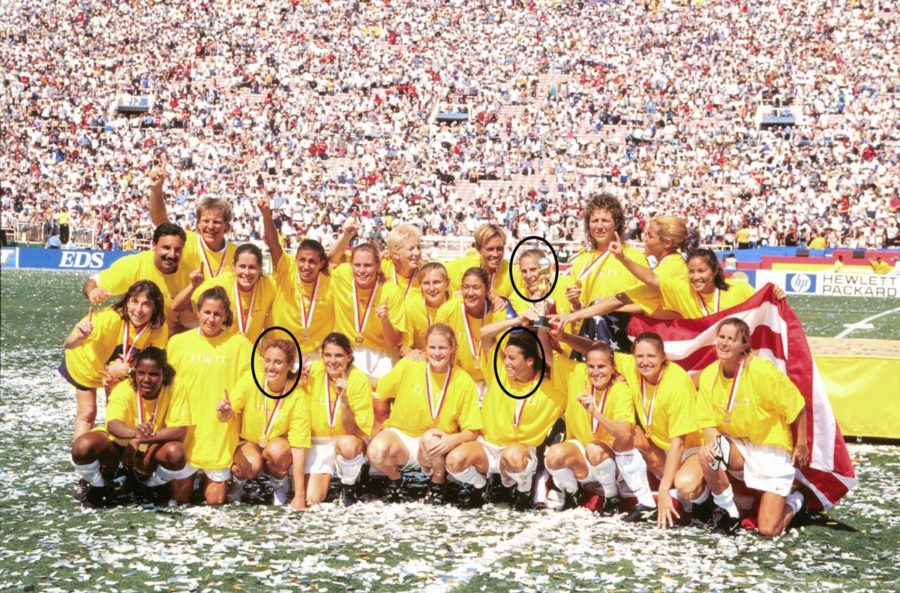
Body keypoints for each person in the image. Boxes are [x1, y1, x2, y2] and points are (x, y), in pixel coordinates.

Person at [696, 318, 808, 536]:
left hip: (770, 448)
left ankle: (797, 500)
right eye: (722, 337)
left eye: (732, 339)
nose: (725, 343)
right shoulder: (709, 374)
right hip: (739, 444)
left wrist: (801, 444)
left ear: (744, 344)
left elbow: (797, 405)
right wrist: (711, 445)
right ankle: (729, 514)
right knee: (706, 455)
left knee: (768, 529)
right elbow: (707, 422)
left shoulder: (762, 371)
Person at [446, 308, 565, 510]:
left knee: (513, 456)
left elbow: (557, 361)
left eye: (512, 358)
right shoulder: (498, 371)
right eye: (505, 357)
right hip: (487, 446)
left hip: (520, 452)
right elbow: (485, 333)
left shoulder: (553, 389)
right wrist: (519, 320)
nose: (506, 362)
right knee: (454, 461)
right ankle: (481, 486)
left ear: (529, 361)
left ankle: (523, 489)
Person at [369, 323, 481, 504]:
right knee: (376, 449)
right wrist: (350, 375)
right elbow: (380, 387)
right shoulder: (409, 365)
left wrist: (452, 440)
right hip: (402, 437)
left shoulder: (463, 381)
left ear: (452, 348)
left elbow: (472, 430)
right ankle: (395, 480)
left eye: (443, 347)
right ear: (424, 348)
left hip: (434, 445)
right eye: (432, 347)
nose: (437, 353)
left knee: (431, 437)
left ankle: (438, 481)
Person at [71, 347, 190, 507]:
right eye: (141, 373)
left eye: (154, 374)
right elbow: (113, 425)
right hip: (118, 446)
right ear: (135, 373)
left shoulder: (176, 388)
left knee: (176, 454)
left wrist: (140, 439)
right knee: (82, 446)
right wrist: (135, 434)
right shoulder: (124, 388)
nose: (146, 379)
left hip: (151, 446)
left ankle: (151, 485)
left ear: (164, 374)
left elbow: (180, 431)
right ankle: (98, 486)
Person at [166, 286, 253, 505]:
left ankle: (221, 479)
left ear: (225, 316)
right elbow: (165, 381)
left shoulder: (239, 344)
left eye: (217, 314)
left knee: (214, 503)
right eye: (207, 312)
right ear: (198, 311)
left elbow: (250, 379)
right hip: (186, 427)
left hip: (218, 430)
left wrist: (232, 405)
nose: (211, 319)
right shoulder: (178, 342)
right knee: (180, 499)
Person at [543, 342, 641, 513]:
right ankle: (574, 493)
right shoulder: (577, 375)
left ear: (613, 368)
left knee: (594, 449)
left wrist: (595, 413)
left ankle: (611, 497)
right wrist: (542, 323)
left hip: (612, 457)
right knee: (553, 456)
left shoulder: (621, 389)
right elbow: (546, 354)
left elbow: (624, 434)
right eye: (591, 366)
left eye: (602, 366)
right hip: (583, 453)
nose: (596, 372)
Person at [61, 280, 169, 438]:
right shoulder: (108, 319)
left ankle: (113, 452)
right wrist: (79, 337)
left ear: (155, 309)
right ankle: (81, 458)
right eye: (134, 302)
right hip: (85, 364)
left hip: (120, 368)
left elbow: (155, 363)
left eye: (146, 304)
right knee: (88, 412)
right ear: (126, 303)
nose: (138, 310)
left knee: (116, 412)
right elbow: (68, 344)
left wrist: (129, 371)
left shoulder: (158, 327)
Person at [220, 338, 311, 509]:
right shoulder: (250, 379)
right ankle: (238, 483)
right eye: (267, 360)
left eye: (278, 362)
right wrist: (225, 412)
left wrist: (300, 496)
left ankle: (279, 482)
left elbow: (299, 448)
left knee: (277, 451)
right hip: (250, 442)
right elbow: (229, 411)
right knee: (250, 465)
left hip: (277, 445)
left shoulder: (298, 396)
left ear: (290, 365)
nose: (270, 367)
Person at [552, 216, 688, 324]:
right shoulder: (668, 264)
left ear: (667, 243)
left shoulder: (673, 266)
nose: (644, 239)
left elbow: (625, 298)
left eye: (650, 236)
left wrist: (580, 314)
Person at [300, 333, 374, 506]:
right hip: (318, 443)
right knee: (311, 499)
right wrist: (296, 381)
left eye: (339, 355)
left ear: (349, 356)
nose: (333, 361)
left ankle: (349, 485)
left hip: (347, 440)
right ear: (321, 355)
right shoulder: (312, 372)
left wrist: (345, 400)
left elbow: (354, 431)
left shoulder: (358, 380)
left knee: (348, 445)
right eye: (328, 355)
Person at [259, 197, 334, 357]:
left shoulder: (331, 280)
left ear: (321, 263)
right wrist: (266, 216)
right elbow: (273, 245)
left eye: (312, 262)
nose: (306, 266)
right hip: (279, 349)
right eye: (302, 260)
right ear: (296, 258)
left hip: (313, 355)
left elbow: (359, 264)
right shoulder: (287, 269)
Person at [83, 223, 193, 330]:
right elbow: (93, 281)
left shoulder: (191, 275)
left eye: (178, 250)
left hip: (168, 339)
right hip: (132, 338)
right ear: (154, 246)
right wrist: (93, 291)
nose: (172, 254)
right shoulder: (134, 265)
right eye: (166, 248)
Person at [148, 153, 237, 278]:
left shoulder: (237, 254)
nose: (210, 227)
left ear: (226, 226)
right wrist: (156, 189)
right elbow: (160, 220)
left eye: (216, 222)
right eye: (206, 221)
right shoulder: (186, 241)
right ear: (198, 223)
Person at [331, 243, 407, 386]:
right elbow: (329, 259)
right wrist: (347, 233)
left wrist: (385, 321)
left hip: (381, 356)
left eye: (368, 265)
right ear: (350, 265)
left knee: (380, 408)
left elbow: (394, 342)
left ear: (378, 266)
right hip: (348, 352)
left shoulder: (391, 291)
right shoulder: (341, 276)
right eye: (357, 265)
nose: (362, 270)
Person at [174, 243, 276, 343]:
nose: (246, 272)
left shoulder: (268, 286)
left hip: (250, 354)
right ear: (233, 266)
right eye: (242, 266)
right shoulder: (220, 284)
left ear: (260, 268)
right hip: (221, 352)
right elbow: (176, 306)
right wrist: (193, 286)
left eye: (252, 267)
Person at [434, 267, 505, 397]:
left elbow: (507, 350)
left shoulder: (497, 311)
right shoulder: (447, 311)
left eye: (476, 287)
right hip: (457, 381)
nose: (470, 293)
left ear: (487, 289)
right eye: (466, 287)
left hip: (490, 381)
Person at [445, 223, 519, 298]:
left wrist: (505, 302)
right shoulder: (461, 267)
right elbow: (435, 273)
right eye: (490, 249)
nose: (495, 254)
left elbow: (521, 304)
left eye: (500, 249)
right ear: (478, 249)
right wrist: (461, 295)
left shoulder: (512, 273)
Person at [402, 262, 451, 355]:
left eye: (436, 282)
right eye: (426, 283)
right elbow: (403, 346)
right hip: (422, 358)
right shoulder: (411, 306)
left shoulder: (457, 303)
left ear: (447, 283)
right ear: (420, 285)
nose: (431, 288)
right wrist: (411, 353)